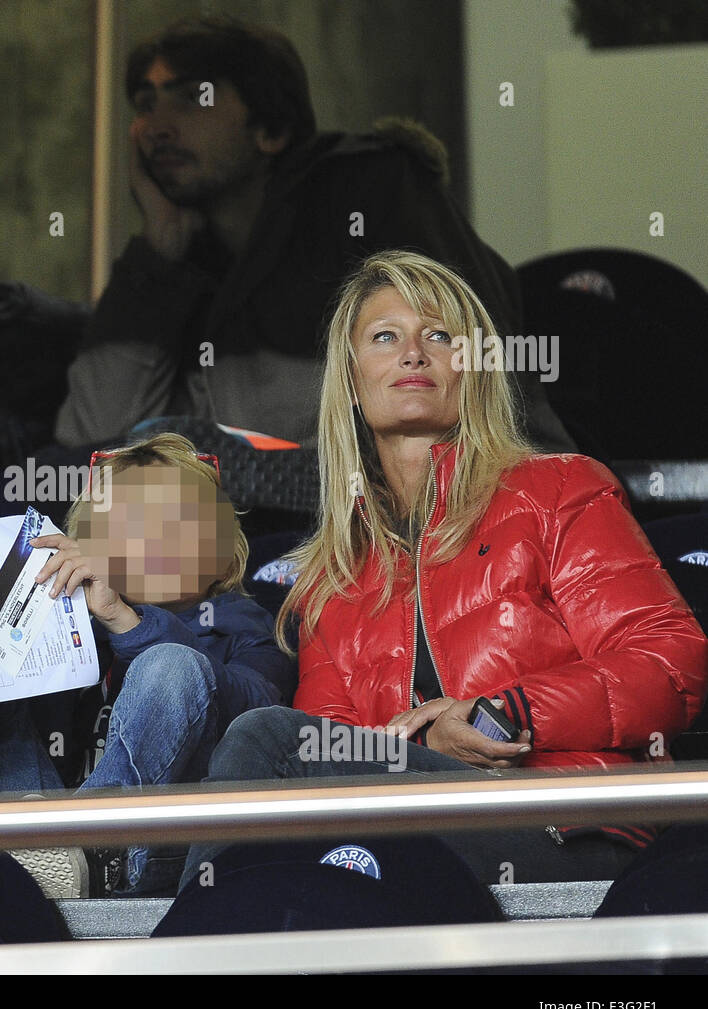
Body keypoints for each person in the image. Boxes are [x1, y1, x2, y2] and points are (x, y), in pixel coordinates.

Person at [183, 249, 708, 890]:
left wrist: (502, 713)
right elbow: (333, 753)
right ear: (350, 381)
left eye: (439, 336)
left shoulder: (558, 489)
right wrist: (415, 747)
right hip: (407, 828)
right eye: (385, 337)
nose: (413, 353)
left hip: (564, 824)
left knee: (266, 743)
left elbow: (669, 662)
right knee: (263, 807)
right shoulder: (333, 574)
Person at [55, 15, 573, 453]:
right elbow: (93, 439)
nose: (157, 126)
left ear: (272, 130)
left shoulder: (367, 190)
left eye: (193, 98)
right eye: (146, 104)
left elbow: (477, 385)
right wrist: (159, 252)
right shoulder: (184, 261)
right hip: (258, 544)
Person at [0, 433, 291, 895]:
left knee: (172, 664)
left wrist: (127, 622)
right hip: (40, 836)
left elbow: (258, 717)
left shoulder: (250, 625)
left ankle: (92, 839)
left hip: (143, 847)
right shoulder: (65, 624)